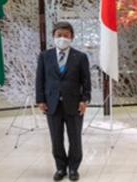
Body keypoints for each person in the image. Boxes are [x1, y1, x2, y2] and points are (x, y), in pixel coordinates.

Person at [35, 21, 91, 181]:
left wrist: (84, 99)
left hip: (74, 104)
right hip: (52, 105)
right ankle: (60, 168)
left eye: (66, 35)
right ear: (54, 36)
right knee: (56, 139)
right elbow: (40, 79)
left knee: (75, 139)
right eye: (59, 35)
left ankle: (73, 168)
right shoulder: (45, 56)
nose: (62, 38)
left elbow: (86, 81)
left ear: (72, 37)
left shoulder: (80, 57)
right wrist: (40, 100)